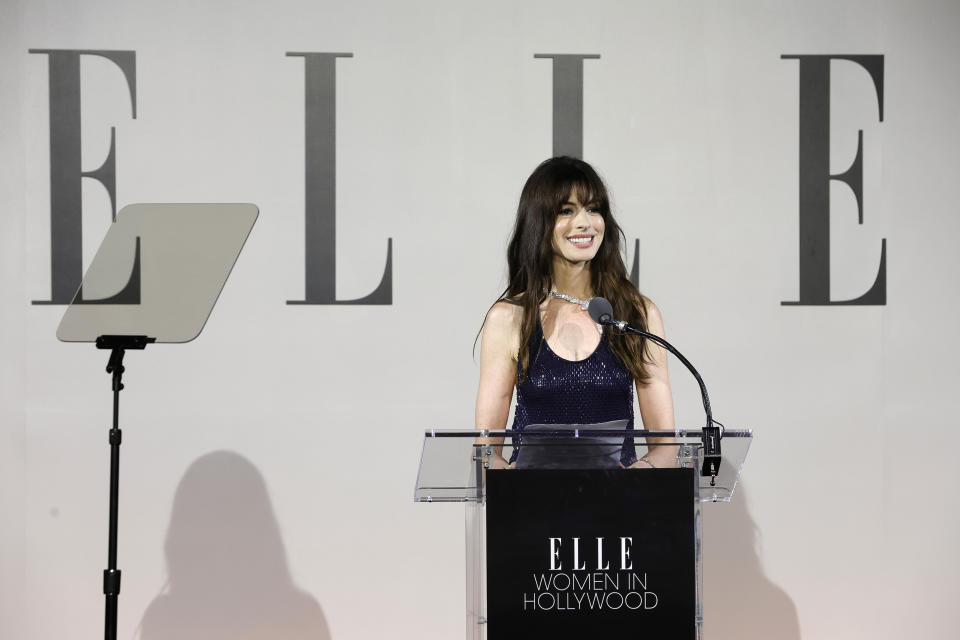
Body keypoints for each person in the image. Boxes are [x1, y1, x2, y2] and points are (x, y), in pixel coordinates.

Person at [475, 156, 676, 469]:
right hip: (533, 509)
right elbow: (485, 453)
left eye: (593, 209)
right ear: (539, 222)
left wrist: (634, 477)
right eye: (566, 211)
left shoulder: (636, 313)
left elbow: (666, 447)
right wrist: (515, 480)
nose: (585, 222)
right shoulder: (510, 317)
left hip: (617, 508)